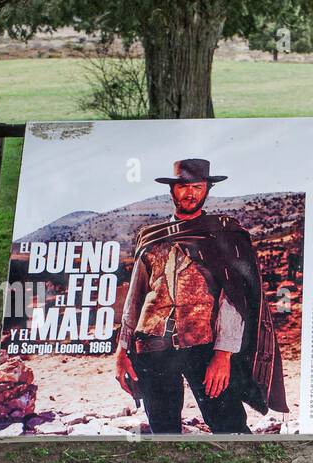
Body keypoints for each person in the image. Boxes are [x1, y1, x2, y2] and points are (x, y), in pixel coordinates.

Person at [114, 158, 287, 435]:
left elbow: (234, 300)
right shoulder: (151, 237)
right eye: (183, 186)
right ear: (172, 190)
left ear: (207, 189)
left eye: (197, 186)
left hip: (204, 346)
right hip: (152, 346)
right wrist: (122, 350)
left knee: (230, 425)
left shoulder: (223, 234)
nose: (190, 193)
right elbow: (136, 297)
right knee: (163, 430)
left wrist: (223, 354)